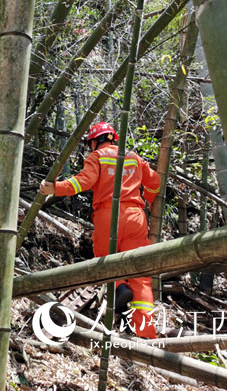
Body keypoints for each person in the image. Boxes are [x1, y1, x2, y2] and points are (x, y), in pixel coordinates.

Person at [39, 121, 161, 339]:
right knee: (141, 275)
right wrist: (150, 200)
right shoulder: (133, 157)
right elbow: (155, 181)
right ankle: (146, 332)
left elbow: (83, 183)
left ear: (94, 141)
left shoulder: (96, 157)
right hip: (136, 216)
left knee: (107, 262)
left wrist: (55, 188)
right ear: (113, 137)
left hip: (108, 215)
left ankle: (119, 287)